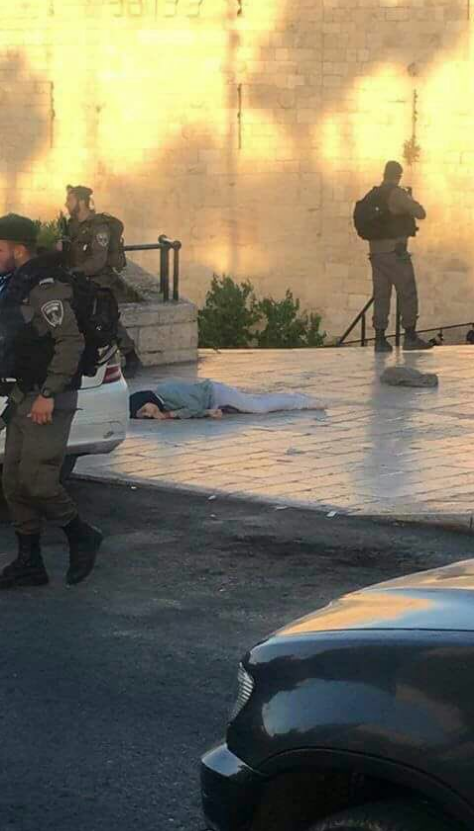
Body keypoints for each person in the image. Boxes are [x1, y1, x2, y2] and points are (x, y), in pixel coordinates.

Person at [0, 213, 103, 590]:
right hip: (24, 395)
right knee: (13, 482)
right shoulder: (14, 284)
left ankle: (81, 534)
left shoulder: (45, 287)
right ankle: (30, 562)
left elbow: (70, 342)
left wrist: (48, 394)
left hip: (48, 399)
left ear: (18, 250)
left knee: (37, 481)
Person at [63, 184, 141, 377]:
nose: (66, 204)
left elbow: (98, 261)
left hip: (99, 282)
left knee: (105, 319)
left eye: (70, 200)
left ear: (82, 201)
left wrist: (75, 271)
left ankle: (131, 356)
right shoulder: (74, 226)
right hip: (79, 281)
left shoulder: (99, 228)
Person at [368, 161, 432, 353]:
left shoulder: (373, 194)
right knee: (407, 292)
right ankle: (410, 337)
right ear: (398, 176)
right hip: (395, 253)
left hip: (376, 253)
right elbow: (420, 213)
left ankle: (380, 339)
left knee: (381, 295)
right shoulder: (397, 194)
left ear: (384, 174)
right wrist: (409, 198)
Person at [129, 378, 323, 420]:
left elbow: (193, 406)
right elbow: (197, 409)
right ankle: (288, 398)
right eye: (144, 416)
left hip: (216, 393)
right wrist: (208, 412)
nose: (148, 415)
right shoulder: (162, 402)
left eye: (144, 410)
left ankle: (300, 401)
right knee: (251, 403)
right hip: (212, 401)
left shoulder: (167, 393)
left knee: (258, 408)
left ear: (146, 400)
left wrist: (170, 415)